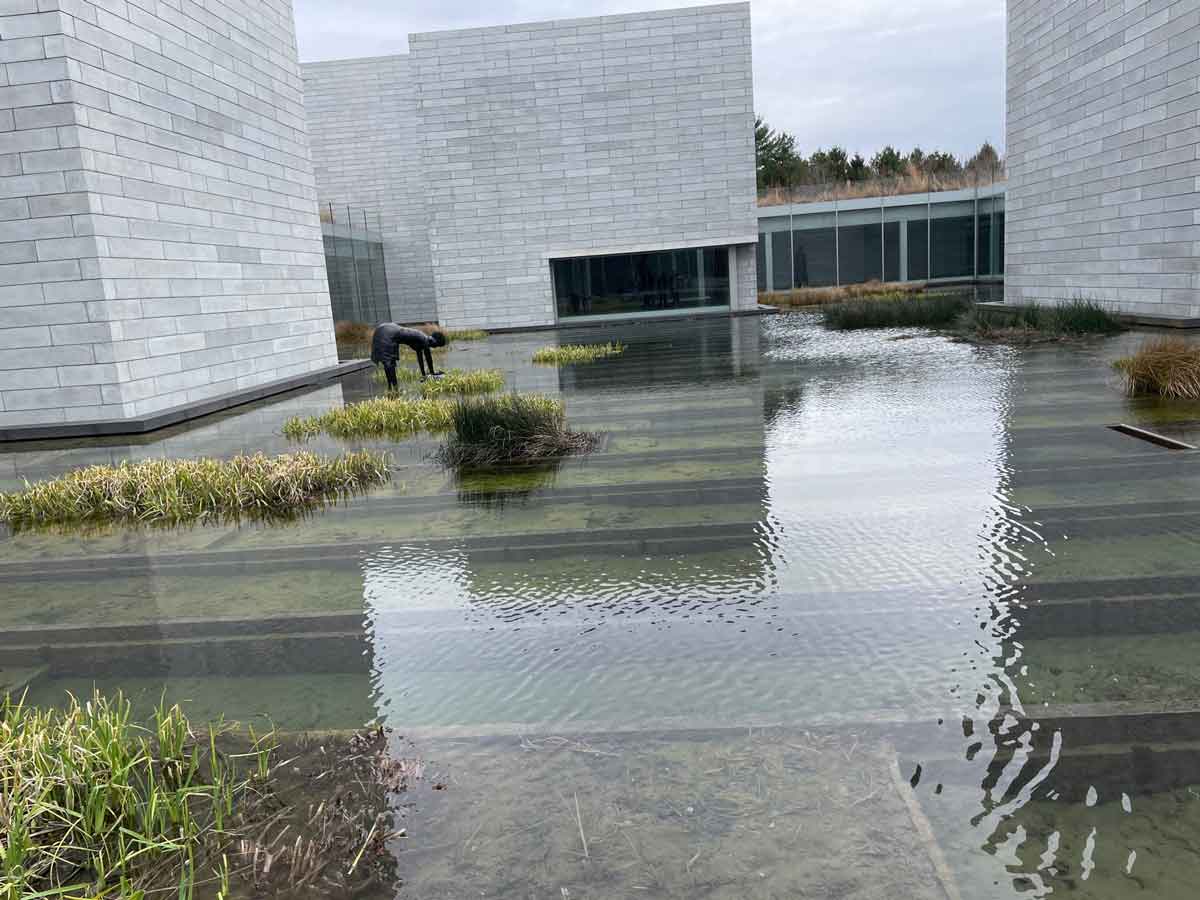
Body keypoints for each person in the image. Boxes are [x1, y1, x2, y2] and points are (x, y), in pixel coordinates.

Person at [371, 323, 447, 389]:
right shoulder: (425, 339)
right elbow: (428, 358)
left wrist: (424, 375)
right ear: (434, 341)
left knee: (388, 363)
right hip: (387, 333)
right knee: (389, 363)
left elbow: (420, 358)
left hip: (385, 330)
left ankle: (391, 387)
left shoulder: (421, 340)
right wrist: (432, 373)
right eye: (436, 345)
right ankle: (394, 387)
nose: (434, 347)